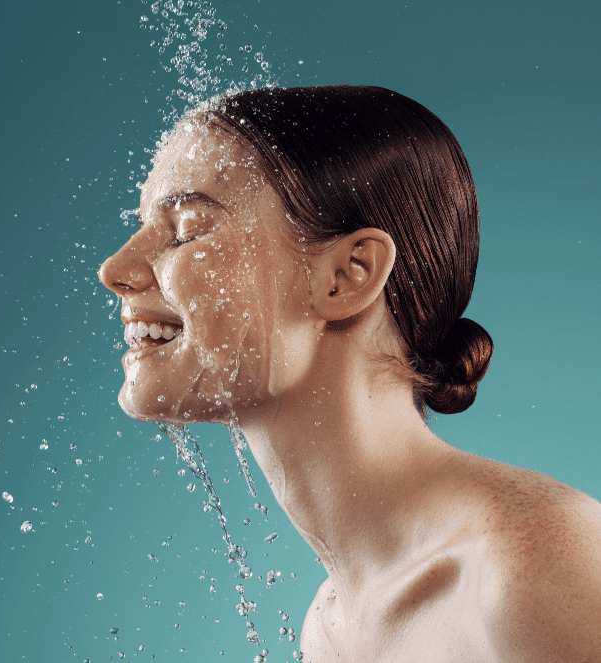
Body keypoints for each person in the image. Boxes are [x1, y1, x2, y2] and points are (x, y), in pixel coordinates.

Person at [98, 85, 601, 661]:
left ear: (347, 276)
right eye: (139, 227)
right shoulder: (331, 629)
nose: (116, 268)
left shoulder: (542, 567)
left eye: (187, 227)